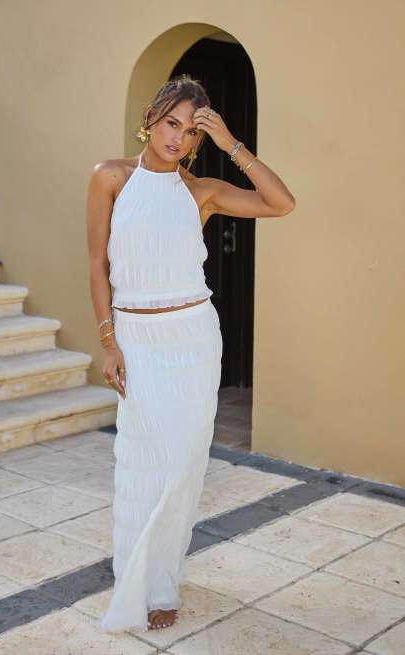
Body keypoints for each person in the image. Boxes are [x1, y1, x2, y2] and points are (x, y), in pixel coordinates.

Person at [86, 73, 295, 634]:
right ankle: (135, 578)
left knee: (183, 465)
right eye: (170, 123)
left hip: (193, 339)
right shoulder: (110, 177)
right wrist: (108, 342)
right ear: (151, 118)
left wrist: (231, 144)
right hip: (137, 339)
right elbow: (97, 266)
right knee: (142, 463)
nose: (177, 137)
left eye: (190, 131)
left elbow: (282, 203)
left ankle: (163, 583)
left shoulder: (200, 191)